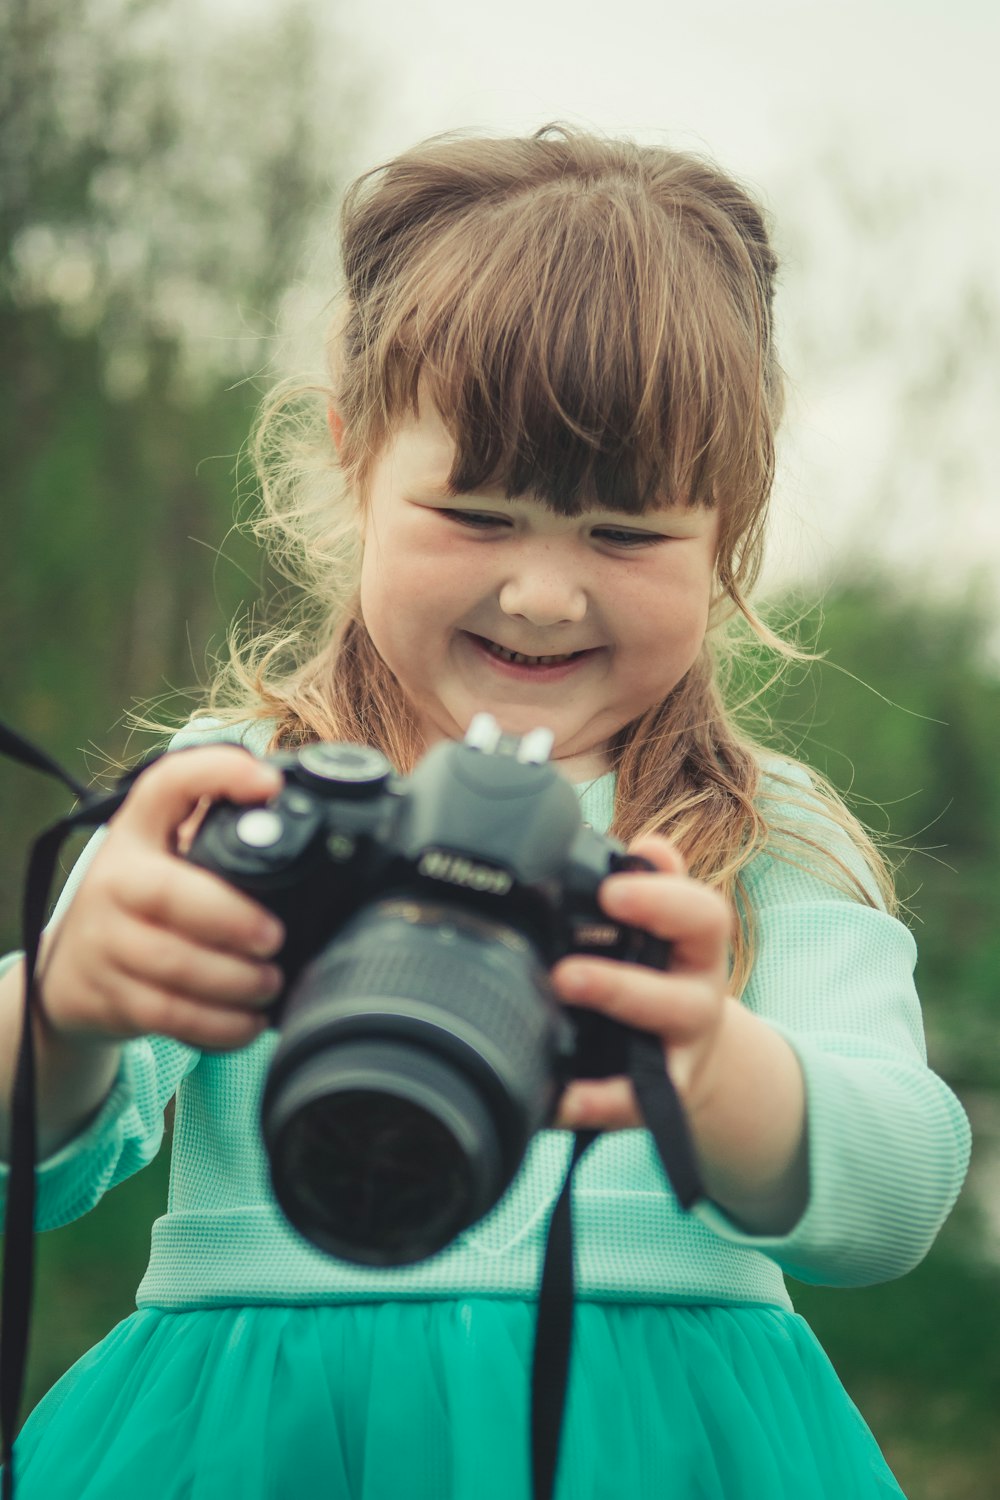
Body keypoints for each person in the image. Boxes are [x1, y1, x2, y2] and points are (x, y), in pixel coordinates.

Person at [0, 126, 971, 1499]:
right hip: (251, 1444)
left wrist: (708, 1069)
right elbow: (39, 1172)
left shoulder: (748, 839)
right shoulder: (235, 791)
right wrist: (71, 1003)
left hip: (668, 1445)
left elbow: (897, 1193)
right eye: (475, 514)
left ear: (731, 527)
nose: (544, 595)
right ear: (352, 464)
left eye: (626, 535)